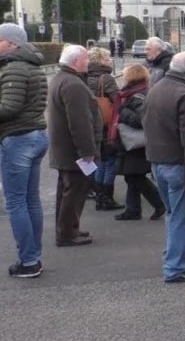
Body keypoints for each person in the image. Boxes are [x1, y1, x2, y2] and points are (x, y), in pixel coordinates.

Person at [0, 24, 48, 277]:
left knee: (16, 203)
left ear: (13, 44)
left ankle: (28, 261)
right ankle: (34, 255)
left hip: (19, 138)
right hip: (35, 134)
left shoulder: (14, 68)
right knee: (30, 200)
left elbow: (10, 107)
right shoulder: (33, 66)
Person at [144, 52, 185, 283]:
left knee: (173, 215)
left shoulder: (157, 87)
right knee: (184, 218)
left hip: (158, 160)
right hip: (177, 163)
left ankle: (176, 258)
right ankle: (176, 267)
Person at [47, 45, 102, 247]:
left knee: (68, 190)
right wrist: (87, 152)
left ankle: (69, 229)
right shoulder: (73, 84)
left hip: (65, 150)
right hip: (73, 152)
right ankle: (67, 233)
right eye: (86, 59)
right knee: (74, 191)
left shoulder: (62, 79)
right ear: (76, 61)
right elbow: (80, 122)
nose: (88, 62)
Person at [109, 64, 165, 221]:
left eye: (125, 74)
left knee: (135, 176)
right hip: (133, 143)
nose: (123, 77)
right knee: (132, 176)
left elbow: (142, 119)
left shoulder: (137, 95)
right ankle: (133, 210)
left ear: (132, 77)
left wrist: (123, 112)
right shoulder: (136, 93)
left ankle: (159, 204)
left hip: (136, 144)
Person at [87, 47, 123, 211]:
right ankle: (106, 198)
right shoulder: (106, 78)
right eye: (108, 58)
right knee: (110, 162)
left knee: (100, 161)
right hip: (106, 124)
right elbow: (117, 100)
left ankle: (99, 196)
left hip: (92, 123)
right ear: (101, 60)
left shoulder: (84, 76)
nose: (111, 60)